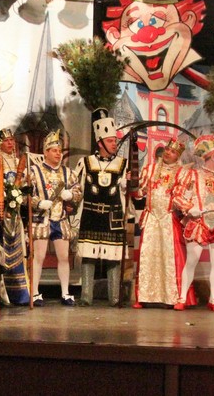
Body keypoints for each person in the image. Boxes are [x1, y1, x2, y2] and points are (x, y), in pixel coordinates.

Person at [74, 109, 130, 306]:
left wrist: (127, 186)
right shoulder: (86, 163)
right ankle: (86, 297)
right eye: (111, 140)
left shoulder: (123, 164)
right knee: (88, 257)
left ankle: (114, 297)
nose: (115, 143)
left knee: (114, 258)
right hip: (90, 214)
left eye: (115, 140)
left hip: (112, 217)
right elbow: (76, 188)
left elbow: (129, 192)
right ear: (100, 142)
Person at [176, 134, 214, 312]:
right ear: (210, 157)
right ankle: (181, 297)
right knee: (192, 261)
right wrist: (189, 208)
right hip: (198, 223)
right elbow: (178, 195)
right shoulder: (193, 175)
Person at [27, 131, 82, 306]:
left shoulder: (68, 172)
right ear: (46, 152)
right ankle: (34, 292)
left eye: (59, 150)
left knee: (64, 256)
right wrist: (38, 203)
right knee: (39, 257)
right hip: (42, 219)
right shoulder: (34, 171)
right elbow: (25, 194)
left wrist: (71, 194)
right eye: (54, 150)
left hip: (61, 218)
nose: (58, 153)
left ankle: (65, 292)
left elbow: (78, 191)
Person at [134, 140, 190, 309]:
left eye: (172, 152)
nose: (168, 153)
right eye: (167, 149)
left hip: (168, 217)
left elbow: (182, 197)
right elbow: (139, 193)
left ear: (177, 156)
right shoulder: (149, 169)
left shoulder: (181, 173)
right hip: (151, 217)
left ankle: (172, 297)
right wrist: (131, 184)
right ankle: (144, 296)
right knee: (148, 255)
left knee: (169, 257)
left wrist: (181, 204)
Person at [0, 129, 31, 306]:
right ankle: (2, 293)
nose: (10, 143)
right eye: (6, 140)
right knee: (2, 252)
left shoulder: (18, 162)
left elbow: (21, 186)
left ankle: (20, 294)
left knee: (18, 252)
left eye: (12, 140)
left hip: (15, 216)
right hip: (2, 214)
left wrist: (23, 190)